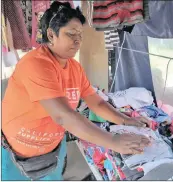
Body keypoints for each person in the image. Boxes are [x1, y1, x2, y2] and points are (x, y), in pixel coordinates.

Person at [2, 1, 151, 181]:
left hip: (52, 149)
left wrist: (127, 120)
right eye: (71, 33)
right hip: (16, 153)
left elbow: (96, 102)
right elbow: (63, 115)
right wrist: (113, 141)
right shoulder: (36, 64)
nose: (77, 40)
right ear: (51, 34)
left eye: (80, 34)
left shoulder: (75, 68)